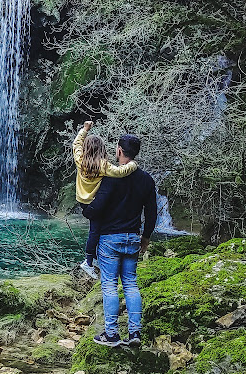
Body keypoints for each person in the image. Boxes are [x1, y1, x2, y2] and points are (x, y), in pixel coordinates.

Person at [82, 133, 157, 348]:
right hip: (133, 237)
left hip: (109, 239)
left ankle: (112, 334)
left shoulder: (110, 177)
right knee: (131, 284)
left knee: (109, 286)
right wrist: (146, 237)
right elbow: (151, 213)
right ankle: (135, 333)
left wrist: (85, 209)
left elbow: (97, 208)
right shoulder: (146, 179)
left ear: (119, 151)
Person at [73, 121, 138, 279]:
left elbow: (76, 144)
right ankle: (88, 262)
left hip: (82, 201)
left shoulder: (80, 159)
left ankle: (94, 258)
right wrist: (133, 165)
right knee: (95, 230)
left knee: (96, 229)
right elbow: (120, 172)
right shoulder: (103, 165)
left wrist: (85, 129)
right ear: (102, 149)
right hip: (94, 202)